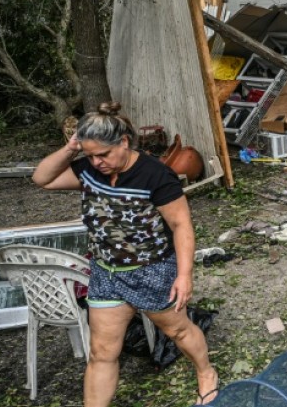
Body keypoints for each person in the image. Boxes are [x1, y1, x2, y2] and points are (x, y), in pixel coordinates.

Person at [31, 102, 218, 406]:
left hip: (152, 271)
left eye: (103, 154)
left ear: (124, 142)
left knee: (179, 332)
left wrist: (184, 276)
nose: (97, 162)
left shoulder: (156, 175)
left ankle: (206, 372)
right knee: (102, 353)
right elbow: (43, 179)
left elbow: (181, 225)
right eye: (90, 155)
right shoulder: (88, 172)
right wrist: (71, 149)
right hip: (107, 274)